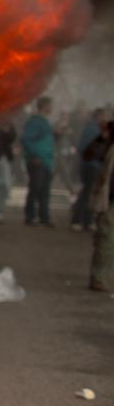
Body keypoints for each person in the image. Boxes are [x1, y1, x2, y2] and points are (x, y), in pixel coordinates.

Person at [85, 115, 114, 291]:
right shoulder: (109, 145)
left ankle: (102, 277)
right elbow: (89, 155)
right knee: (107, 239)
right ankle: (99, 278)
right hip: (109, 200)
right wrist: (102, 136)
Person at [21, 96, 56, 227]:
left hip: (46, 161)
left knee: (45, 190)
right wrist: (34, 155)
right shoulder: (35, 122)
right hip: (38, 160)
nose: (52, 108)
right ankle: (30, 216)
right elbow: (26, 139)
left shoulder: (45, 122)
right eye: (50, 105)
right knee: (35, 188)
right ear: (44, 106)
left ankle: (44, 217)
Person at [70, 106, 107, 231]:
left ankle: (87, 219)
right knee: (88, 193)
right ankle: (78, 219)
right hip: (92, 166)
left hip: (93, 165)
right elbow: (87, 149)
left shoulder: (96, 129)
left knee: (91, 194)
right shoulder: (93, 130)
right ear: (99, 116)